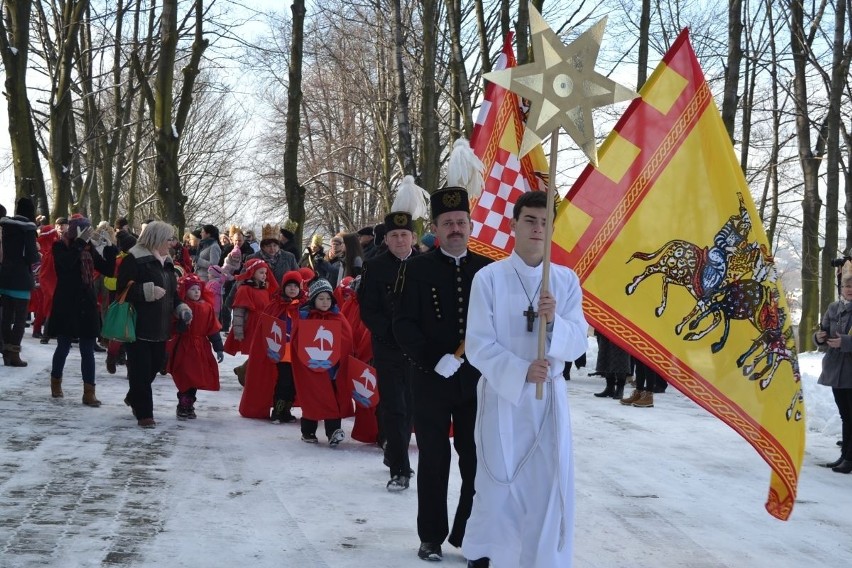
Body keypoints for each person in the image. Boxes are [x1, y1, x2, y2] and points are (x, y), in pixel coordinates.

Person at [461, 190, 588, 568]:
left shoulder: (564, 282)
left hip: (548, 401)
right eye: (530, 220)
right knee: (497, 484)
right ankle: (487, 557)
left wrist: (555, 325)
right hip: (504, 398)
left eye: (545, 222)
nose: (537, 228)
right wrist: (519, 370)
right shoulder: (489, 278)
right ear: (514, 223)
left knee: (547, 487)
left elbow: (579, 340)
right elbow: (479, 345)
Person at [393, 186, 492, 561]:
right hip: (430, 380)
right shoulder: (414, 269)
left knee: (476, 459)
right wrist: (435, 358)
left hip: (476, 382)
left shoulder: (487, 270)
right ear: (435, 227)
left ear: (470, 225)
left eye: (461, 222)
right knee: (434, 460)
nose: (455, 228)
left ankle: (469, 533)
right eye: (447, 223)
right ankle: (431, 535)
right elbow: (402, 324)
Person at [358, 211, 418, 491]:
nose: (400, 240)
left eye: (404, 235)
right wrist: (393, 334)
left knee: (411, 408)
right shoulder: (374, 266)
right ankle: (400, 467)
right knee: (394, 407)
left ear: (413, 238)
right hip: (388, 348)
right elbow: (368, 310)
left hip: (420, 352)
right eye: (394, 235)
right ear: (387, 239)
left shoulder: (425, 264)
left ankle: (394, 450)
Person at [117, 221, 192, 428]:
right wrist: (146, 292)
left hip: (161, 327)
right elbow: (121, 290)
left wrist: (182, 308)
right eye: (168, 239)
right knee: (140, 371)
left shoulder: (167, 262)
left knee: (154, 366)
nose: (171, 243)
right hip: (138, 325)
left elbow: (172, 294)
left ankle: (134, 397)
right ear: (156, 238)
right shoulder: (134, 259)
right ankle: (144, 414)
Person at [47, 215, 117, 405]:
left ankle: (89, 392)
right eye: (84, 230)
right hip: (66, 303)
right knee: (63, 346)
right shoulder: (60, 246)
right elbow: (66, 264)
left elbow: (108, 269)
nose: (87, 233)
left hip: (86, 302)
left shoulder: (89, 249)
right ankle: (56, 382)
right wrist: (79, 242)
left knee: (88, 349)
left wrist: (110, 247)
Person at [291, 278, 355, 446]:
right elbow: (298, 342)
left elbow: (346, 340)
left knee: (333, 399)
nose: (325, 302)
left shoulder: (337, 317)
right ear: (313, 300)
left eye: (328, 298)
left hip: (332, 369)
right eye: (321, 298)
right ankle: (308, 431)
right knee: (311, 398)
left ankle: (333, 432)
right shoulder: (304, 317)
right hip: (311, 368)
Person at [166, 273, 224, 420]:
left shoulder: (207, 308)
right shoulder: (181, 308)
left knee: (196, 376)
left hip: (201, 348)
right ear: (185, 291)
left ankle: (189, 403)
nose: (196, 292)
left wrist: (218, 347)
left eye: (198, 289)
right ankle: (183, 403)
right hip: (184, 347)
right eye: (192, 289)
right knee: (185, 375)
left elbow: (213, 329)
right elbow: (173, 328)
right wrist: (181, 324)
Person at [814, 272, 852, 474]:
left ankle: (849, 459)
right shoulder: (833, 308)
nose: (849, 290)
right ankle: (845, 456)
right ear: (842, 289)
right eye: (847, 286)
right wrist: (819, 337)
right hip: (836, 368)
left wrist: (845, 342)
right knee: (846, 416)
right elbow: (824, 331)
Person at [223, 258, 277, 385]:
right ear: (252, 272)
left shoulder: (264, 289)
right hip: (252, 325)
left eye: (265, 273)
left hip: (264, 325)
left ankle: (246, 371)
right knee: (256, 352)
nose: (264, 276)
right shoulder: (245, 289)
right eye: (261, 273)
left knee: (262, 352)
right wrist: (238, 331)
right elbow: (238, 311)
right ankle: (248, 374)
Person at [0, 197, 39, 367]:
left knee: (6, 316)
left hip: (5, 276)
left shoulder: (6, 226)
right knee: (20, 319)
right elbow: (31, 256)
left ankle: (6, 352)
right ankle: (15, 352)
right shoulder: (29, 229)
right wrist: (37, 255)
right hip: (21, 278)